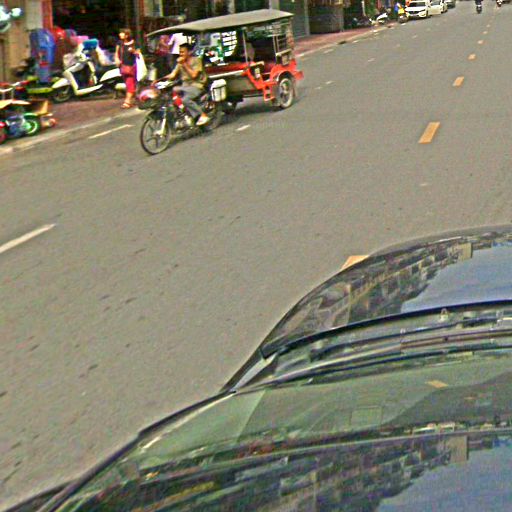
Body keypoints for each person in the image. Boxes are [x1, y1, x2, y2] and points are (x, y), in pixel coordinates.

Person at [160, 42, 210, 126]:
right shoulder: (180, 63)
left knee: (185, 100)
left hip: (196, 86)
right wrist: (159, 80)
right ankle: (183, 114)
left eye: (183, 52)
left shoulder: (196, 60)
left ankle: (203, 115)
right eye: (180, 52)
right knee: (173, 91)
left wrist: (184, 64)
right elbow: (173, 75)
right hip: (185, 86)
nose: (181, 54)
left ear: (189, 52)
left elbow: (194, 75)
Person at [115, 28, 139, 108]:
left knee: (130, 83)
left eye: (122, 33)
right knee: (129, 83)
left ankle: (127, 101)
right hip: (123, 66)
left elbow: (138, 53)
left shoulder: (134, 43)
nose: (120, 34)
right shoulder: (120, 43)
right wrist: (117, 59)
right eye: (120, 33)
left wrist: (133, 51)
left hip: (132, 66)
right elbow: (116, 53)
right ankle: (135, 98)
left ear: (127, 35)